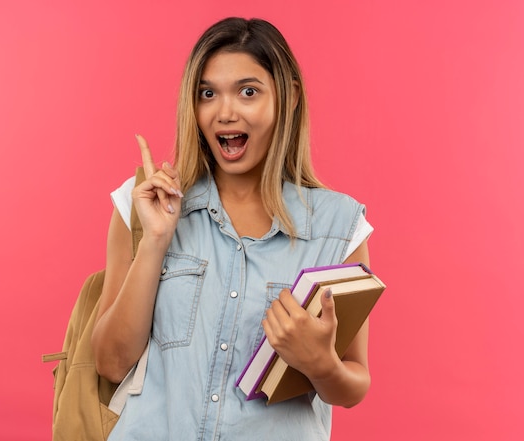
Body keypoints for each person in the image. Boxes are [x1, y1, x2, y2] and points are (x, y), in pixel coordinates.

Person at [91, 17, 375, 440]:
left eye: (248, 92)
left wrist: (321, 364)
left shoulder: (339, 228)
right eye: (208, 93)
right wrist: (155, 241)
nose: (225, 112)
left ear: (289, 96)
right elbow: (110, 362)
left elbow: (354, 384)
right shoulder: (144, 204)